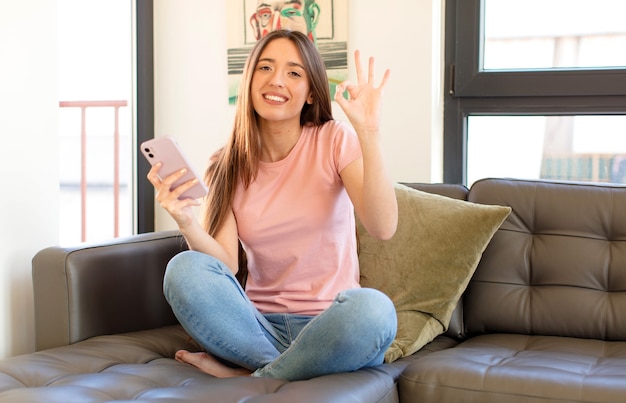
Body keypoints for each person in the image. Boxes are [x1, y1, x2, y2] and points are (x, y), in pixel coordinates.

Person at [147, 29, 398, 381]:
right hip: (257, 328)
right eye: (265, 68)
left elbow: (383, 226)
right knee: (183, 269)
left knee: (375, 311)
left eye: (294, 73)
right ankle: (287, 368)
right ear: (250, 80)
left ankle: (256, 377)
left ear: (311, 93)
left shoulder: (334, 140)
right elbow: (224, 265)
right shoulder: (226, 163)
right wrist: (186, 222)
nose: (276, 80)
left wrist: (369, 133)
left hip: (330, 324)